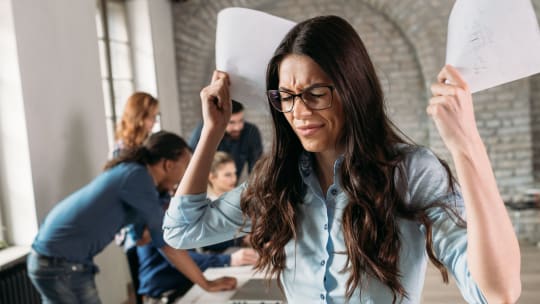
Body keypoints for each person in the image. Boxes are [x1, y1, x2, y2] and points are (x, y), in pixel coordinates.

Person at [163, 15, 521, 304]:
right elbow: (182, 231)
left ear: (354, 89)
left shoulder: (410, 172)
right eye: (286, 96)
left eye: (315, 93)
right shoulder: (277, 182)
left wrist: (467, 145)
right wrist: (212, 131)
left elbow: (496, 293)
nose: (298, 111)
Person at [28, 131, 236, 304]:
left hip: (54, 261)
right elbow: (167, 244)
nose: (187, 174)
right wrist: (207, 283)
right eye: (186, 166)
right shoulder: (138, 177)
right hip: (60, 264)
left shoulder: (134, 175)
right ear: (168, 165)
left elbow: (141, 238)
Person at [188, 99, 263, 178]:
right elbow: (192, 165)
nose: (237, 127)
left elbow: (256, 166)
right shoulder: (205, 131)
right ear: (219, 119)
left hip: (232, 186)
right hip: (207, 184)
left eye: (241, 120)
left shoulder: (251, 131)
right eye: (231, 122)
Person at [112, 92, 160, 157]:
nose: (155, 121)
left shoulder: (148, 143)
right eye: (152, 117)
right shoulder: (121, 149)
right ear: (139, 117)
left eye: (155, 116)